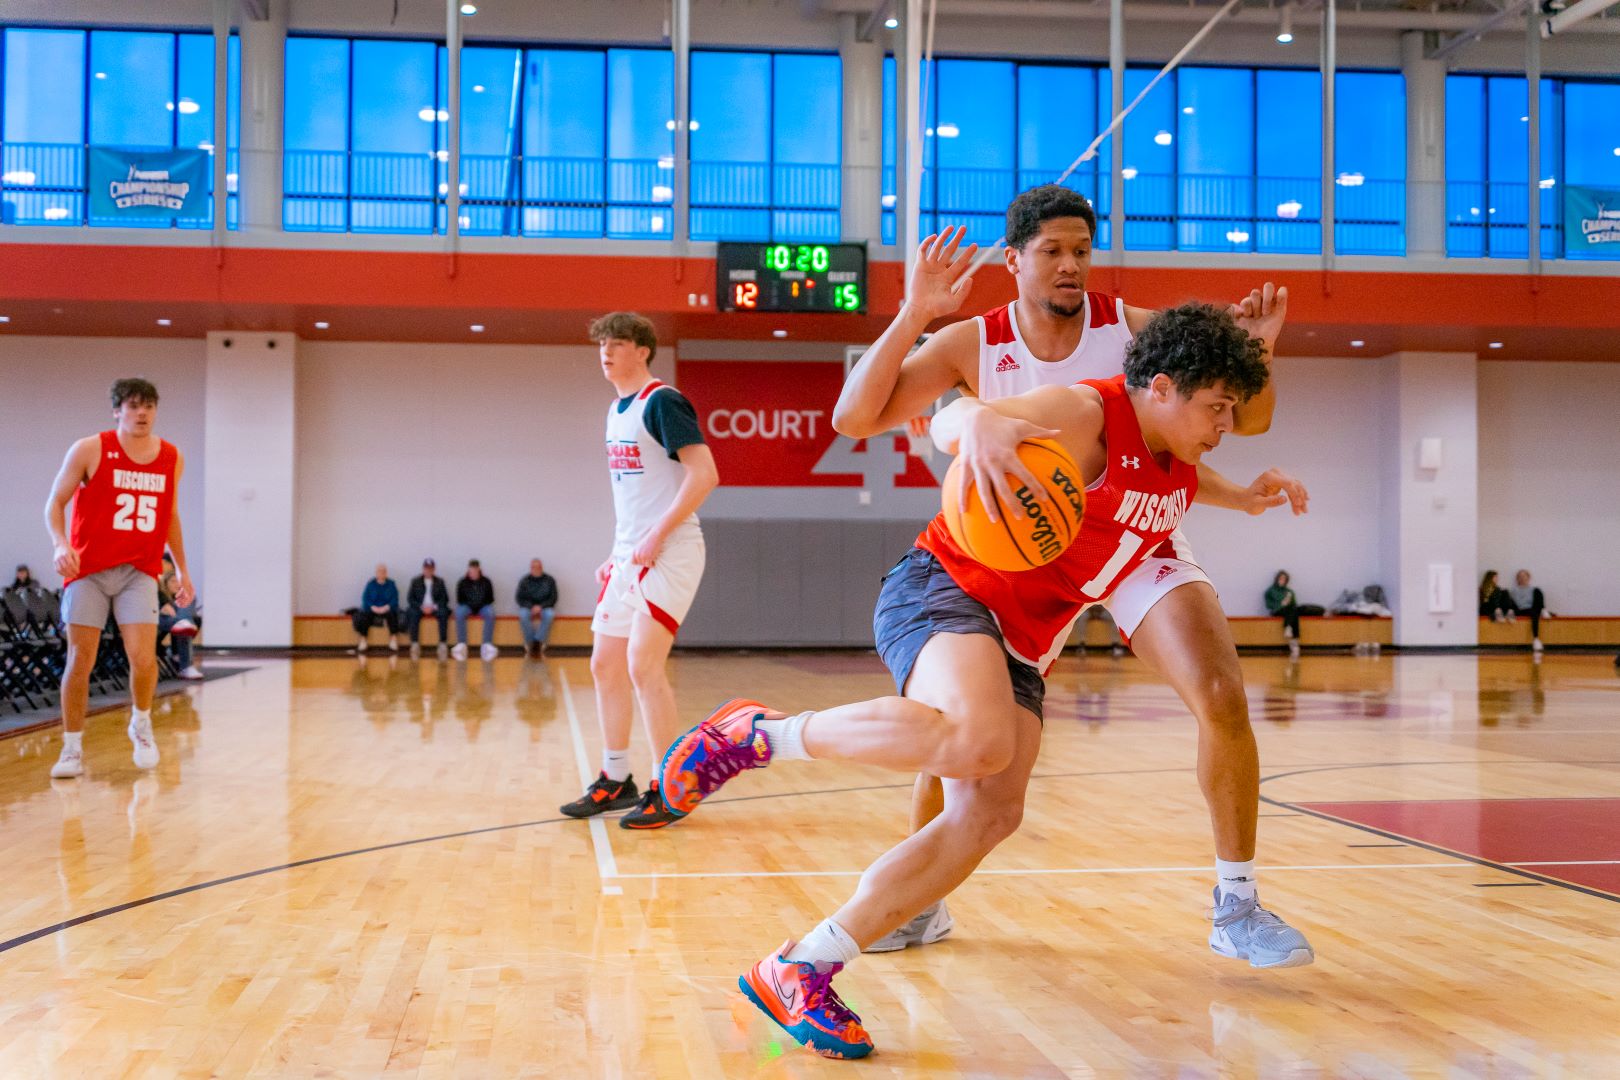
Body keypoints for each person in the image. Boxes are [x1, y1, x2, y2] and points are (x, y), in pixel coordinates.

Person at [659, 303, 1314, 1059]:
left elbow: (1177, 486)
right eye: (1217, 408)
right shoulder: (1080, 411)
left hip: (1024, 639)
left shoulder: (1173, 457)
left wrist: (1245, 494)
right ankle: (755, 735)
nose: (1226, 423)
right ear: (1161, 388)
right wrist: (970, 423)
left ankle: (802, 966)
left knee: (990, 813)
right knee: (976, 739)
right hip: (949, 590)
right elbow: (961, 415)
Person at [829, 184, 1288, 953]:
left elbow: (1244, 417)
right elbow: (854, 418)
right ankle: (916, 902)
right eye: (1053, 251)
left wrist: (1259, 356)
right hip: (1030, 555)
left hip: (1136, 534)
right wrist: (915, 315)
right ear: (1013, 261)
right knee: (962, 738)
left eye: (1081, 249)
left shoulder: (1132, 328)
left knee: (1219, 689)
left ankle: (1236, 903)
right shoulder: (975, 340)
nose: (1071, 265)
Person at [560, 311, 719, 830]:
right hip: (633, 552)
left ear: (643, 350)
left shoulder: (662, 402)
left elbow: (705, 474)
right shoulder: (615, 411)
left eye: (618, 342)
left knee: (642, 666)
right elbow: (633, 498)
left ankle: (670, 785)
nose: (606, 350)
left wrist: (655, 534)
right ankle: (615, 778)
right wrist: (619, 550)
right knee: (604, 665)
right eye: (601, 342)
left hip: (672, 550)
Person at [43, 377, 193, 779]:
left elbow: (170, 515)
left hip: (137, 571)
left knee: (143, 657)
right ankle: (72, 747)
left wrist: (181, 568)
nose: (141, 413)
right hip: (87, 571)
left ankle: (141, 723)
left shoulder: (172, 457)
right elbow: (55, 503)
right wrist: (60, 544)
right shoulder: (91, 448)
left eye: (148, 406)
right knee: (80, 660)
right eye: (132, 405)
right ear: (117, 411)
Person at [158, 552, 203, 679]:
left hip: (169, 616)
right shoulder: (152, 580)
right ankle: (183, 662)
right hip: (150, 616)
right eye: (173, 581)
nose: (177, 584)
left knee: (189, 614)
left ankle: (182, 625)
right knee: (184, 622)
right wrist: (162, 604)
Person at [404, 558, 451, 659]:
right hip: (420, 607)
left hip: (434, 607)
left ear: (434, 570)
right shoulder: (415, 581)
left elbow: (445, 599)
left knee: (443, 612)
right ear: (423, 569)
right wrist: (422, 607)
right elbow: (410, 599)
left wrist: (433, 607)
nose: (428, 571)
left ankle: (442, 643)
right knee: (412, 612)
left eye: (430, 569)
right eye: (426, 568)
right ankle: (415, 643)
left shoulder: (440, 582)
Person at [351, 563, 403, 653]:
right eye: (379, 571)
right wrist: (372, 607)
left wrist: (387, 607)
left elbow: (395, 599)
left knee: (393, 614)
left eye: (383, 571)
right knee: (364, 615)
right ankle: (363, 640)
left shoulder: (391, 584)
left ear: (386, 573)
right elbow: (365, 598)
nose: (381, 573)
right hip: (373, 608)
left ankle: (393, 640)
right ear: (376, 573)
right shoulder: (370, 584)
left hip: (386, 608)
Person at [453, 559, 497, 661]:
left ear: (479, 569)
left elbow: (490, 599)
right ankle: (462, 643)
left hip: (482, 607)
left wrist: (480, 604)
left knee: (490, 612)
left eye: (475, 570)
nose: (473, 573)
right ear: (468, 570)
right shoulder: (462, 582)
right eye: (471, 571)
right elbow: (459, 599)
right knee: (459, 612)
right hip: (467, 607)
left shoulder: (486, 582)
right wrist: (471, 604)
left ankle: (487, 643)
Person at [516, 558, 558, 658]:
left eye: (538, 567)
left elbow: (554, 598)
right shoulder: (524, 580)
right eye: (533, 567)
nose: (535, 569)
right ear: (530, 568)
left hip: (545, 606)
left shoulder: (549, 580)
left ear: (541, 568)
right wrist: (531, 607)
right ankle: (530, 641)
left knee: (550, 614)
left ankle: (538, 641)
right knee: (522, 614)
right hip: (528, 607)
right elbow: (519, 598)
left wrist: (541, 607)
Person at [1507, 569, 1552, 652]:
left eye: (1524, 576)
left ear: (1528, 577)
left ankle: (1536, 639)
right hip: (1519, 610)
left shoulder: (1533, 589)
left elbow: (1533, 602)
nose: (1522, 578)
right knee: (1506, 594)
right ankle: (1510, 613)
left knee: (1537, 593)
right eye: (1520, 577)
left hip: (1531, 609)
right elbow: (1516, 602)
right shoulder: (1514, 590)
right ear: (1517, 579)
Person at [1265, 570, 1303, 659]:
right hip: (1277, 611)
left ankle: (1289, 630)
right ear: (1277, 579)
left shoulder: (1289, 592)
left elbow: (1294, 604)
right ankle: (1294, 642)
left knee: (1293, 611)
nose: (1282, 581)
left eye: (1284, 579)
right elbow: (1268, 605)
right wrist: (1281, 604)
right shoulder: (1270, 591)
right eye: (1281, 578)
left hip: (1289, 611)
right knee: (1292, 613)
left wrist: (1288, 602)